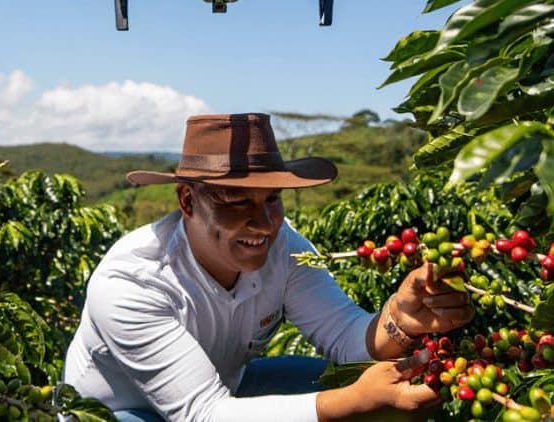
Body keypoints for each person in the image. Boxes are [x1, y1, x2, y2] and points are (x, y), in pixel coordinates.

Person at [62, 113, 472, 422]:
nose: (263, 223)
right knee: (348, 399)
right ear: (187, 201)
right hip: (119, 410)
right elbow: (203, 414)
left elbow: (346, 338)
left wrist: (398, 317)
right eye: (237, 202)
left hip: (225, 389)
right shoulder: (132, 282)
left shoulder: (283, 245)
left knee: (348, 382)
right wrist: (353, 401)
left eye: (271, 200)